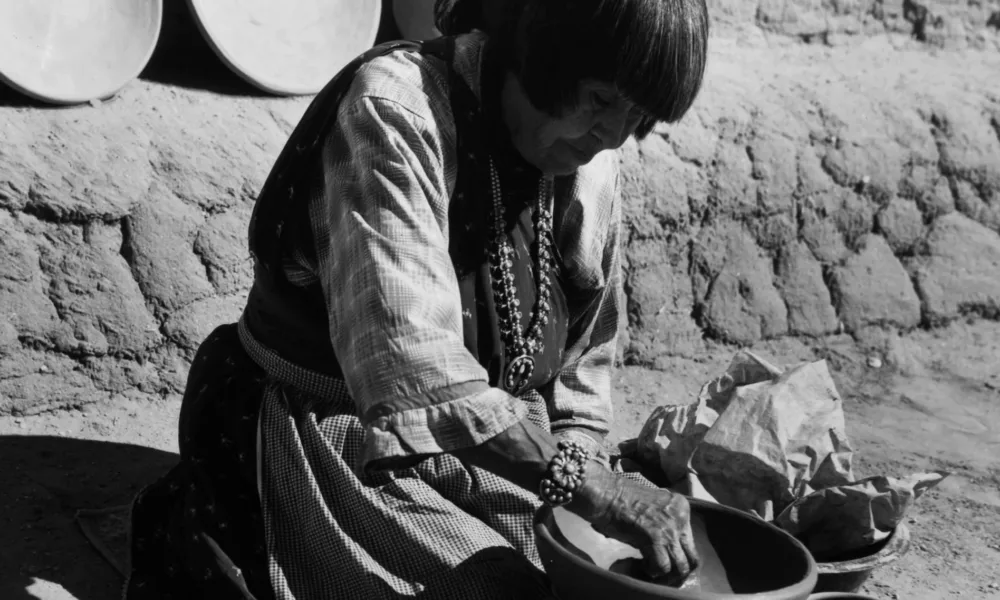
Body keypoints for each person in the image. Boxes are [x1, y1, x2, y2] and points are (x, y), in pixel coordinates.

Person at [124, 0, 710, 598]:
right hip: (333, 429)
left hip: (505, 440)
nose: (612, 135)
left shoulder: (592, 163)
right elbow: (410, 364)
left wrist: (585, 483)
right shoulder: (395, 109)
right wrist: (591, 488)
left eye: (637, 113)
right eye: (601, 99)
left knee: (599, 578)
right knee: (496, 590)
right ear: (541, 55)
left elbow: (584, 364)